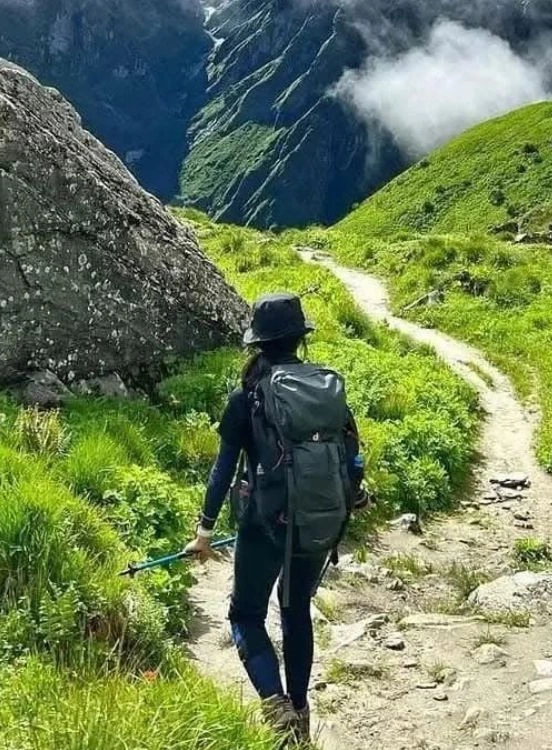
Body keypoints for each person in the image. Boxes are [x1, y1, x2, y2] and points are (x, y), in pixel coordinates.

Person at [184, 292, 367, 743]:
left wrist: (204, 532)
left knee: (245, 615)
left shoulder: (246, 398)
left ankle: (275, 705)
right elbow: (351, 454)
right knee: (295, 609)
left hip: (264, 523)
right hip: (319, 520)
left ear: (257, 344)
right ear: (299, 340)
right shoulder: (326, 389)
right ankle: (300, 714)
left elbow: (223, 470)